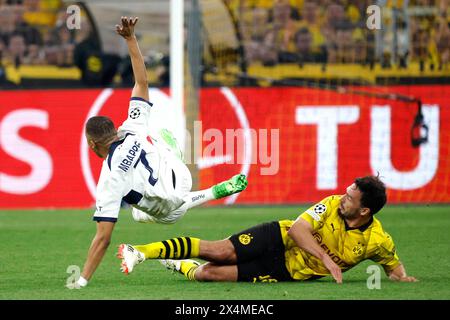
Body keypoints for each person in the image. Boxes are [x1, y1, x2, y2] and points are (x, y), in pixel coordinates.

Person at [69, 17, 248, 289]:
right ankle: (171, 149)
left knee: (145, 213)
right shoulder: (131, 125)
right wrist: (131, 39)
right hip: (180, 173)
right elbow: (141, 82)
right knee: (153, 142)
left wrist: (81, 280)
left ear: (93, 145)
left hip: (169, 207)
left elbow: (103, 239)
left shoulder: (109, 179)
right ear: (114, 130)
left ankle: (209, 191)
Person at [118, 175, 417, 283]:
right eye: (346, 191)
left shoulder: (377, 241)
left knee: (209, 273)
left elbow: (392, 264)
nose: (343, 197)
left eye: (350, 198)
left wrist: (401, 277)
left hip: (286, 271)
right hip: (280, 235)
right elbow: (300, 230)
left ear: (365, 211)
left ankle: (181, 265)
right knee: (220, 251)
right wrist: (327, 260)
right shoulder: (331, 205)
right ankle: (141, 252)